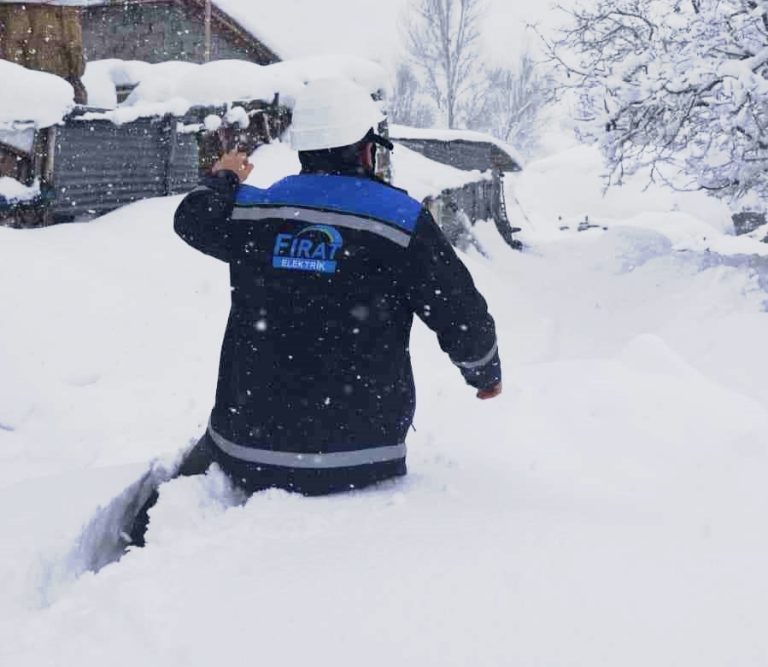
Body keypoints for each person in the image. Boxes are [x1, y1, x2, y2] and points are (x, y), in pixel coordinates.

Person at [129, 78, 501, 545]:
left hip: (246, 447)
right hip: (361, 456)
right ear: (366, 150)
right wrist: (484, 372)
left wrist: (224, 176)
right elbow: (460, 312)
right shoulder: (400, 221)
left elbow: (192, 216)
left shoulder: (254, 212)